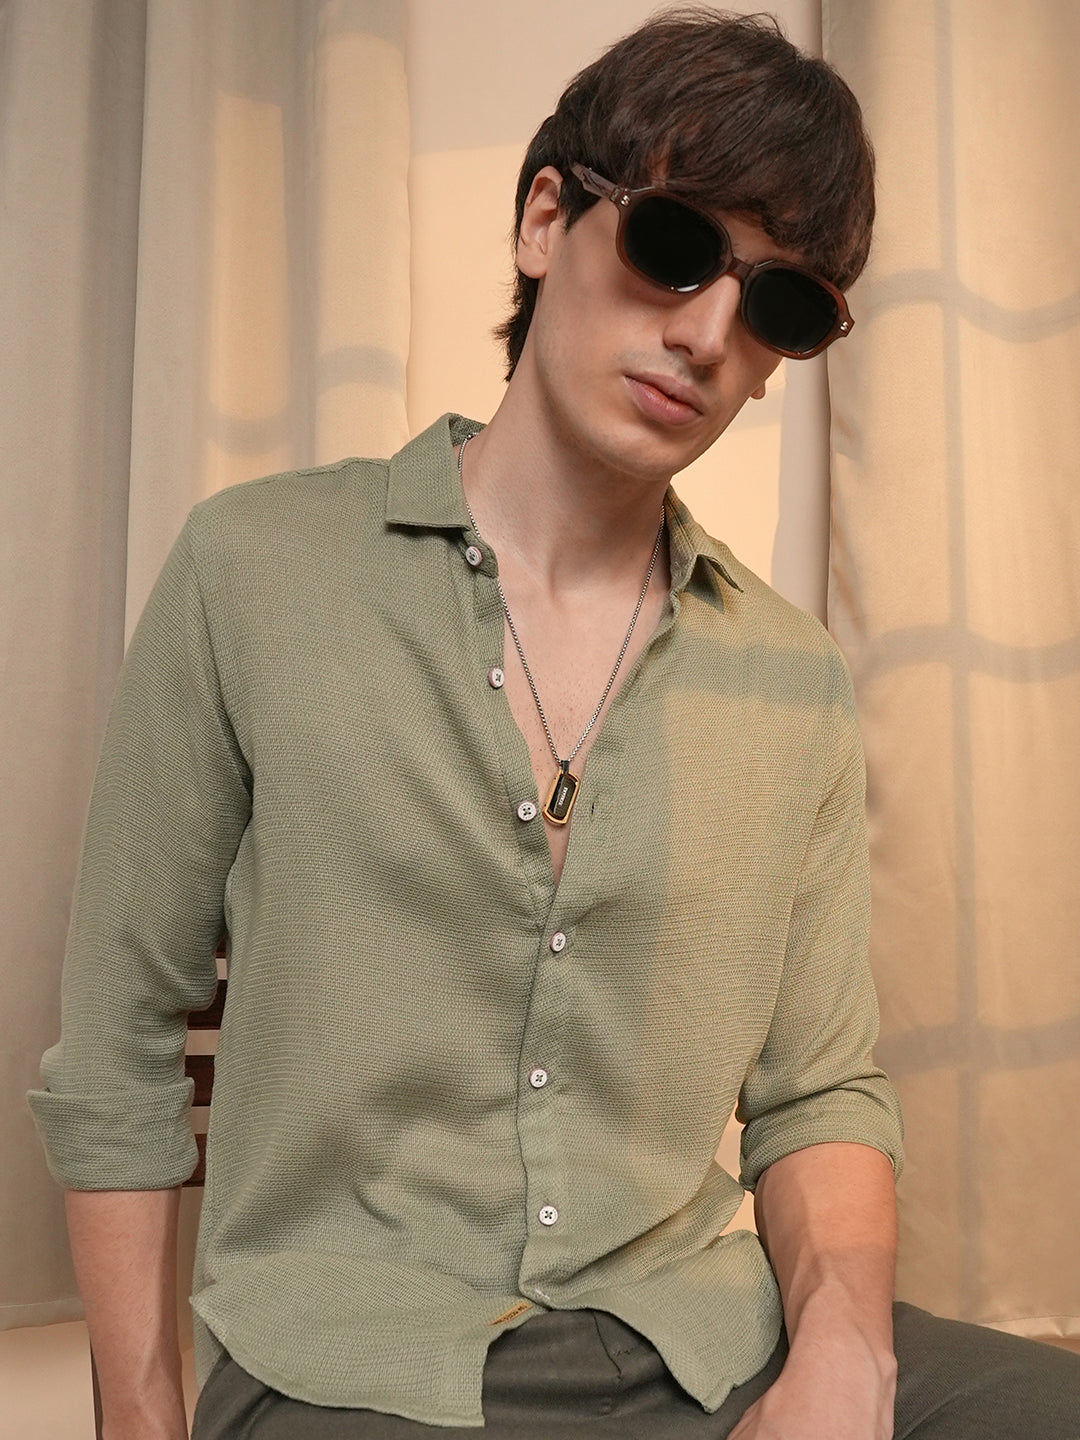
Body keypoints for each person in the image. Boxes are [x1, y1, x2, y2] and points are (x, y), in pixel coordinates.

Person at [29, 9, 1080, 1439]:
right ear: (544, 219)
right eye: (675, 245)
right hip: (355, 1371)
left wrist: (845, 1353)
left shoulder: (790, 681)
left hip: (702, 1336)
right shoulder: (255, 572)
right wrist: (142, 1423)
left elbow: (822, 1090)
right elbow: (118, 1039)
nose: (707, 334)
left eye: (777, 306)